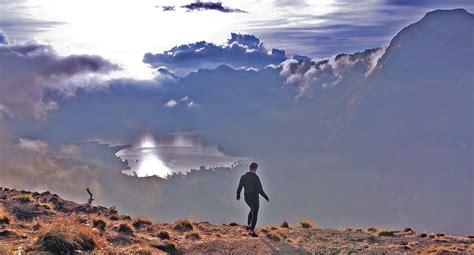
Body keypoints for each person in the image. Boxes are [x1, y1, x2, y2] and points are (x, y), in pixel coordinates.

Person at [236, 162, 269, 237]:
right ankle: (251, 232)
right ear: (255, 168)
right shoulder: (256, 177)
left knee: (252, 210)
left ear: (250, 168)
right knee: (255, 214)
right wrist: (265, 196)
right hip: (254, 198)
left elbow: (239, 187)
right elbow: (260, 189)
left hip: (247, 198)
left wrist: (238, 195)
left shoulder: (243, 176)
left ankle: (248, 226)